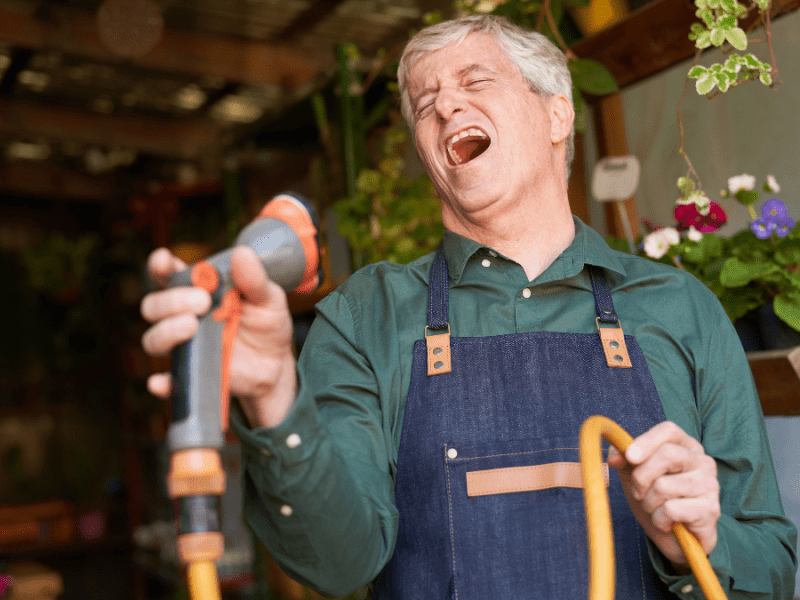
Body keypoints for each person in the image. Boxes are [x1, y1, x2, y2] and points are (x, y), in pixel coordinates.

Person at [141, 14, 797, 599]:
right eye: (424, 104)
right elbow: (337, 565)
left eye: (475, 82)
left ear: (557, 114)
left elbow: (772, 568)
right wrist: (274, 397)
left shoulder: (678, 309)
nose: (445, 106)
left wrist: (704, 540)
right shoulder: (367, 316)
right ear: (427, 159)